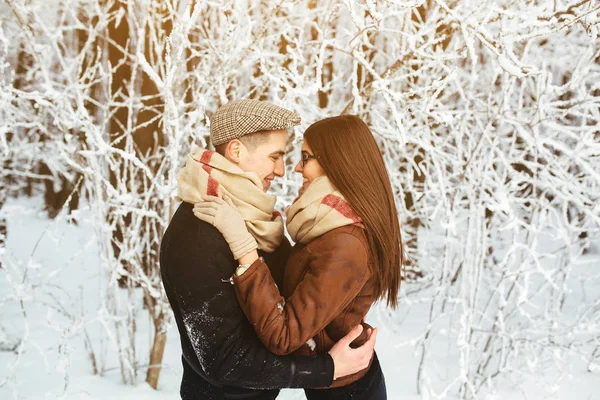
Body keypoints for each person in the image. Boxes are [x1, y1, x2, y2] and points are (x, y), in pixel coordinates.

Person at [160, 101, 377, 400]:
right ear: (236, 151)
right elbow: (223, 360)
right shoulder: (197, 235)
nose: (282, 169)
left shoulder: (255, 219)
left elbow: (294, 297)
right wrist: (325, 369)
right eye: (275, 156)